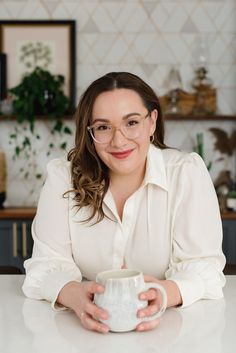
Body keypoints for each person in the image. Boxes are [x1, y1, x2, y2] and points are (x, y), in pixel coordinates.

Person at [22, 72, 226, 334]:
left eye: (131, 122)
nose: (118, 141)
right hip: (81, 334)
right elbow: (43, 266)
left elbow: (205, 269)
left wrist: (165, 294)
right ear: (91, 132)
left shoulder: (186, 172)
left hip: (171, 332)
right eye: (103, 127)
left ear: (152, 122)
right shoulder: (63, 177)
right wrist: (74, 295)